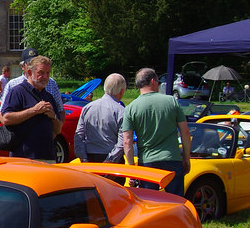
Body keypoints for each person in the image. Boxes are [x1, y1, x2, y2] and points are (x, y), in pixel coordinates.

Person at [122, 68, 191, 197]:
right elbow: (185, 133)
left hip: (147, 162)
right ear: (153, 81)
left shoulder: (130, 108)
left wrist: (131, 168)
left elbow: (127, 141)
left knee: (150, 202)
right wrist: (186, 158)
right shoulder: (171, 101)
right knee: (176, 201)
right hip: (172, 159)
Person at [0, 55, 64, 162]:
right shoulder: (18, 92)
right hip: (23, 158)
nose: (45, 76)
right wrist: (34, 110)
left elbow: (58, 129)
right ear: (29, 73)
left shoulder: (48, 96)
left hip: (48, 157)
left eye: (48, 73)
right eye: (41, 72)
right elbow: (6, 118)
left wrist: (53, 116)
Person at [74, 73, 127, 162]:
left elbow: (79, 135)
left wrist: (83, 157)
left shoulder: (87, 108)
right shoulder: (121, 111)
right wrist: (110, 160)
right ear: (121, 91)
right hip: (112, 158)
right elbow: (122, 141)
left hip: (89, 157)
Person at [0, 48, 64, 119]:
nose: (32, 65)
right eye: (30, 63)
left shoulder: (51, 83)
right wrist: (34, 111)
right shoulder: (13, 85)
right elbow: (3, 115)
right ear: (23, 66)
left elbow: (60, 110)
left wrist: (56, 122)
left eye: (35, 62)